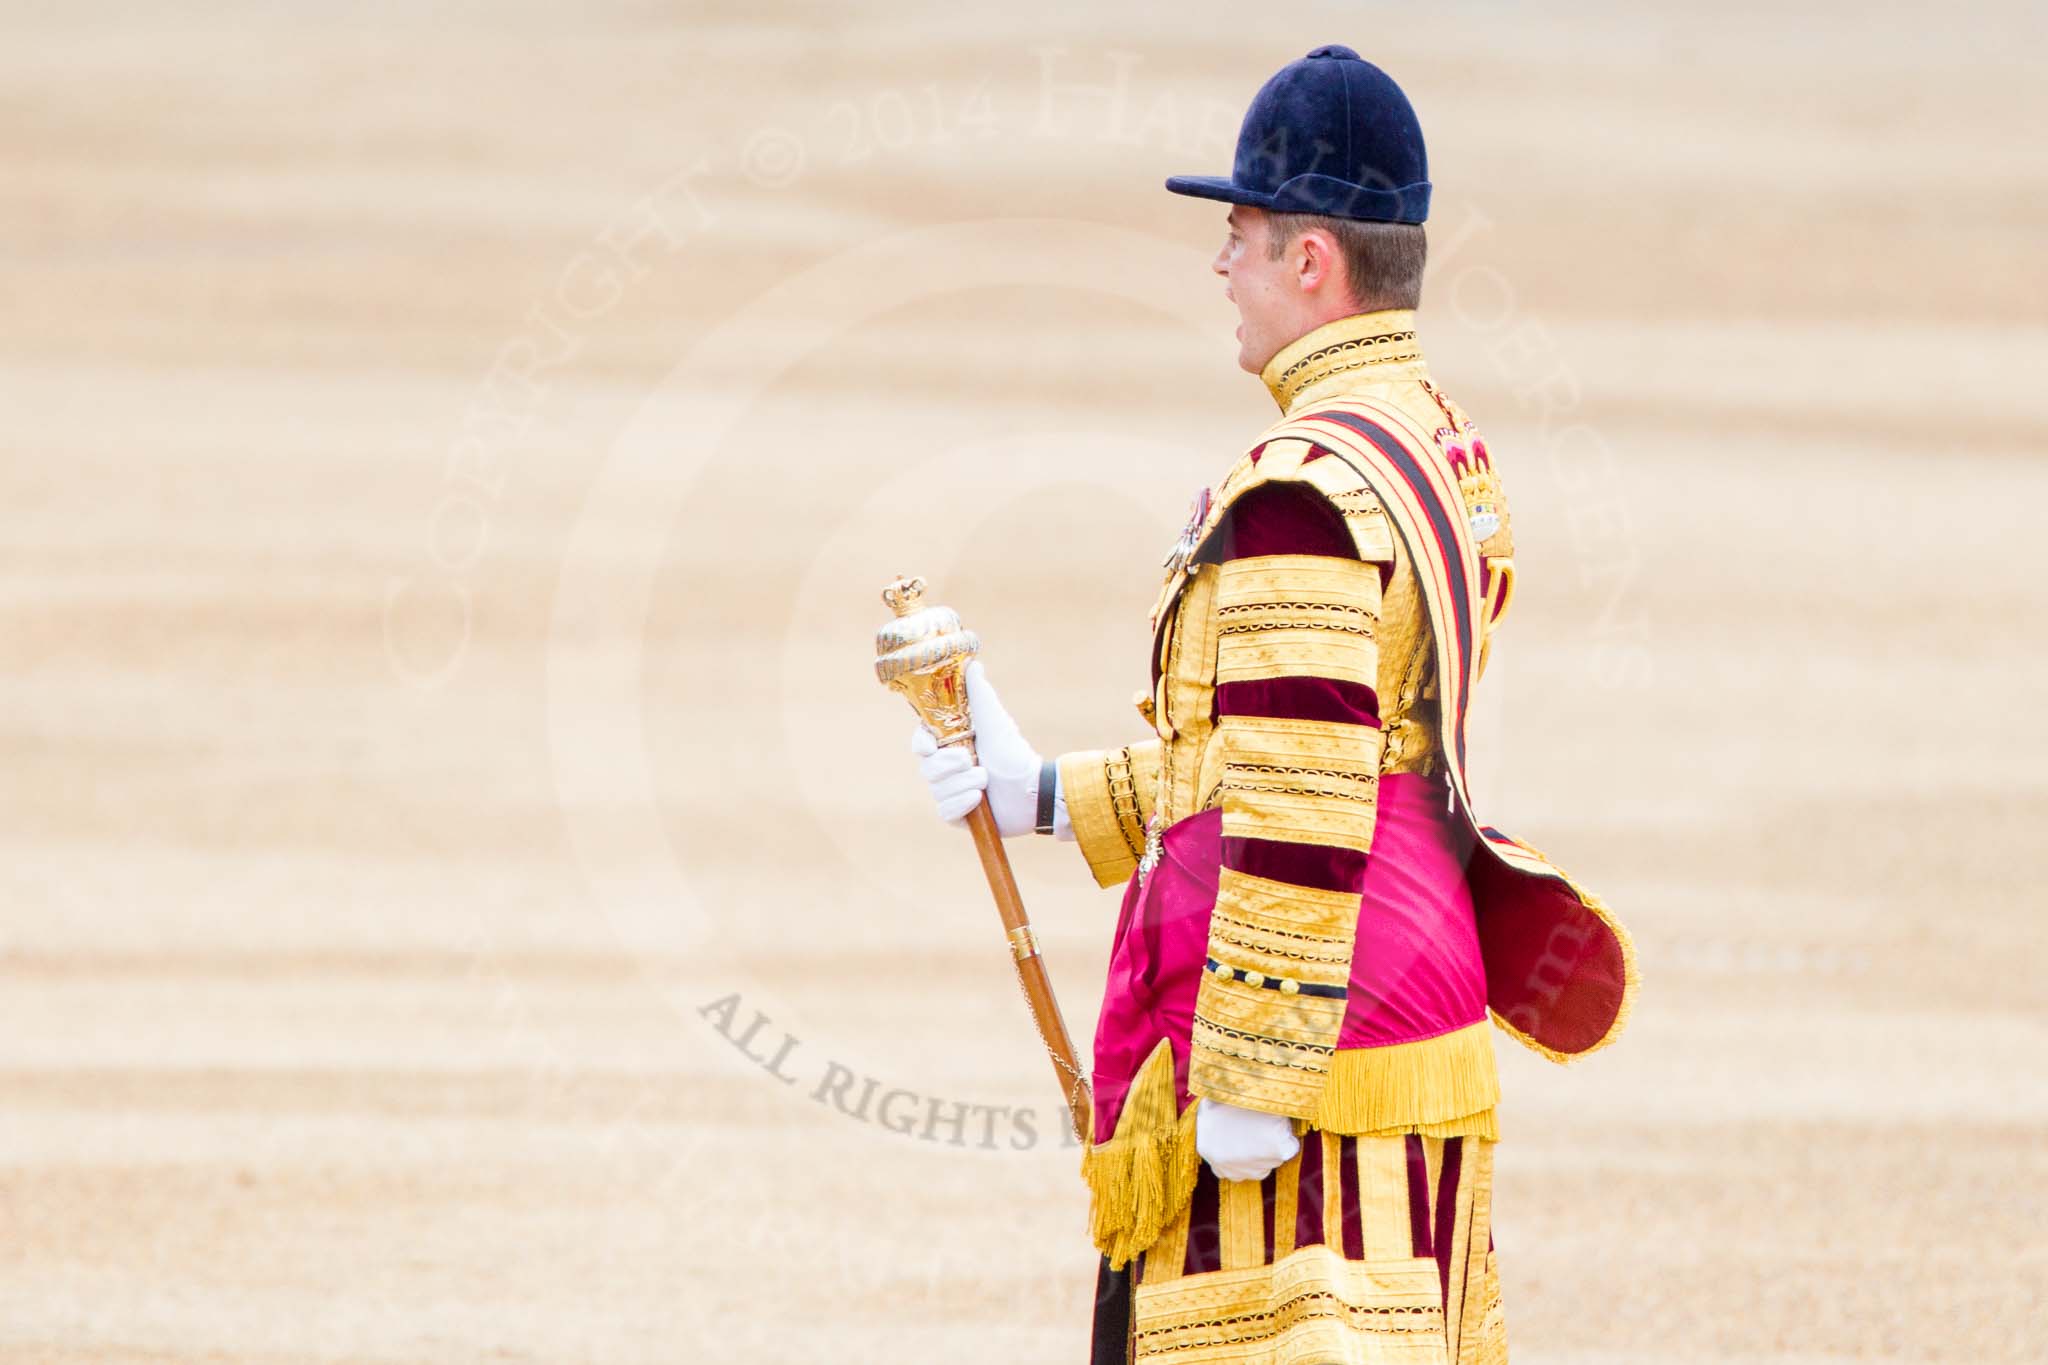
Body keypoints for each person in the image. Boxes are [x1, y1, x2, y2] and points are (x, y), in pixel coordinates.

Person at [909, 45, 1637, 1364]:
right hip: (1408, 1004)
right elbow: (1332, 750)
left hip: (1317, 1048)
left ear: (1314, 262)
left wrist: (1249, 1078)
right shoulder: (1436, 443)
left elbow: (1303, 798)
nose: (1220, 269)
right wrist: (1044, 793)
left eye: (1238, 235)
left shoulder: (1300, 486)